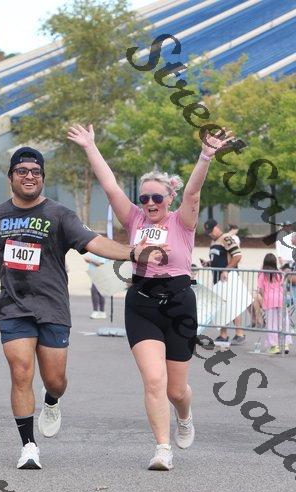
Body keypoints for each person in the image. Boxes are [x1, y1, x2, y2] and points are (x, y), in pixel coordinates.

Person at [0, 146, 165, 470]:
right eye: (22, 171)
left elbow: (93, 242)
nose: (29, 176)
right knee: (21, 371)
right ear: (11, 177)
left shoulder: (59, 215)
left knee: (55, 380)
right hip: (13, 307)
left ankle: (52, 399)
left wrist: (132, 252)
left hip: (53, 308)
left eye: (36, 172)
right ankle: (28, 446)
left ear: (43, 178)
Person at [68, 122, 234, 471]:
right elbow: (110, 186)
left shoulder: (181, 221)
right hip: (142, 302)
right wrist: (90, 146)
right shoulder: (134, 219)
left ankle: (184, 415)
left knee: (176, 390)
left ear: (169, 199)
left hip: (178, 304)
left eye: (157, 197)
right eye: (144, 198)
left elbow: (193, 192)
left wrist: (206, 155)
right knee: (154, 380)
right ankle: (162, 448)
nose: (150, 203)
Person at [202, 219, 245, 345]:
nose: (210, 234)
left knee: (232, 305)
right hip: (217, 279)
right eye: (208, 232)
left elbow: (237, 255)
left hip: (228, 278)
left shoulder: (226, 238)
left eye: (211, 230)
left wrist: (226, 270)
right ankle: (223, 334)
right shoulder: (213, 242)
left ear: (217, 227)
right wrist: (208, 263)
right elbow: (217, 259)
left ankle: (240, 333)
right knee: (221, 307)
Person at [257, 253, 292, 354]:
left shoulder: (262, 274)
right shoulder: (279, 273)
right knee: (284, 322)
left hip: (269, 300)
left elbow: (260, 289)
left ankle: (274, 345)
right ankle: (285, 344)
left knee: (272, 324)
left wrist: (263, 297)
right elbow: (283, 285)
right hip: (281, 299)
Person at [84, 252, 107, 318]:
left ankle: (95, 311)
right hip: (95, 274)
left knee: (94, 291)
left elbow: (101, 264)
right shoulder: (94, 252)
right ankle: (102, 312)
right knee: (99, 293)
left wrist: (90, 260)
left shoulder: (101, 252)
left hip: (100, 274)